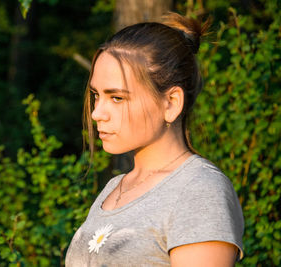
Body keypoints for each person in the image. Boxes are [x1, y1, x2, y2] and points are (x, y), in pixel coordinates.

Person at [65, 12, 244, 267]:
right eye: (96, 95)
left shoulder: (199, 191)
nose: (96, 113)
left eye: (117, 97)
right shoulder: (114, 188)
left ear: (171, 103)